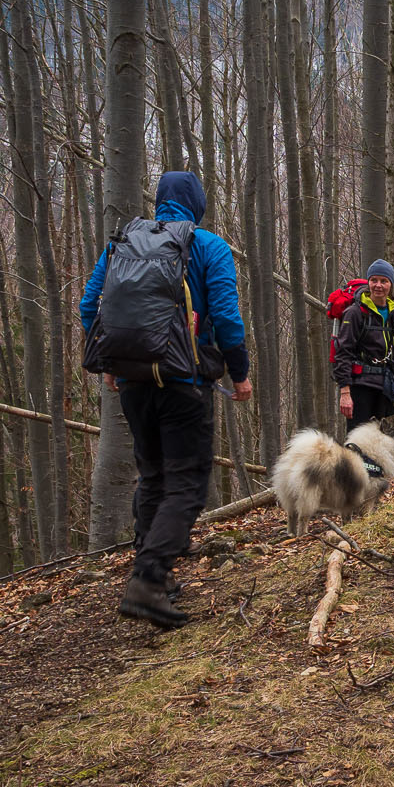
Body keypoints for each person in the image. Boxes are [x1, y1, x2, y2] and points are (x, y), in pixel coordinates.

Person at [81, 170, 251, 629]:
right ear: (197, 203)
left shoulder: (121, 244)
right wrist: (240, 373)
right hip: (184, 381)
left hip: (133, 383)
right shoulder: (208, 246)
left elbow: (88, 307)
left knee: (152, 475)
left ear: (159, 202)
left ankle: (154, 573)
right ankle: (149, 580)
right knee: (187, 484)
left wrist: (115, 364)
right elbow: (228, 316)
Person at [333, 258, 394, 426]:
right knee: (357, 441)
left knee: (376, 441)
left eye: (384, 281)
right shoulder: (355, 313)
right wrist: (345, 392)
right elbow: (343, 352)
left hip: (385, 385)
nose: (378, 285)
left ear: (391, 284)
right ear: (368, 282)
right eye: (374, 280)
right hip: (359, 386)